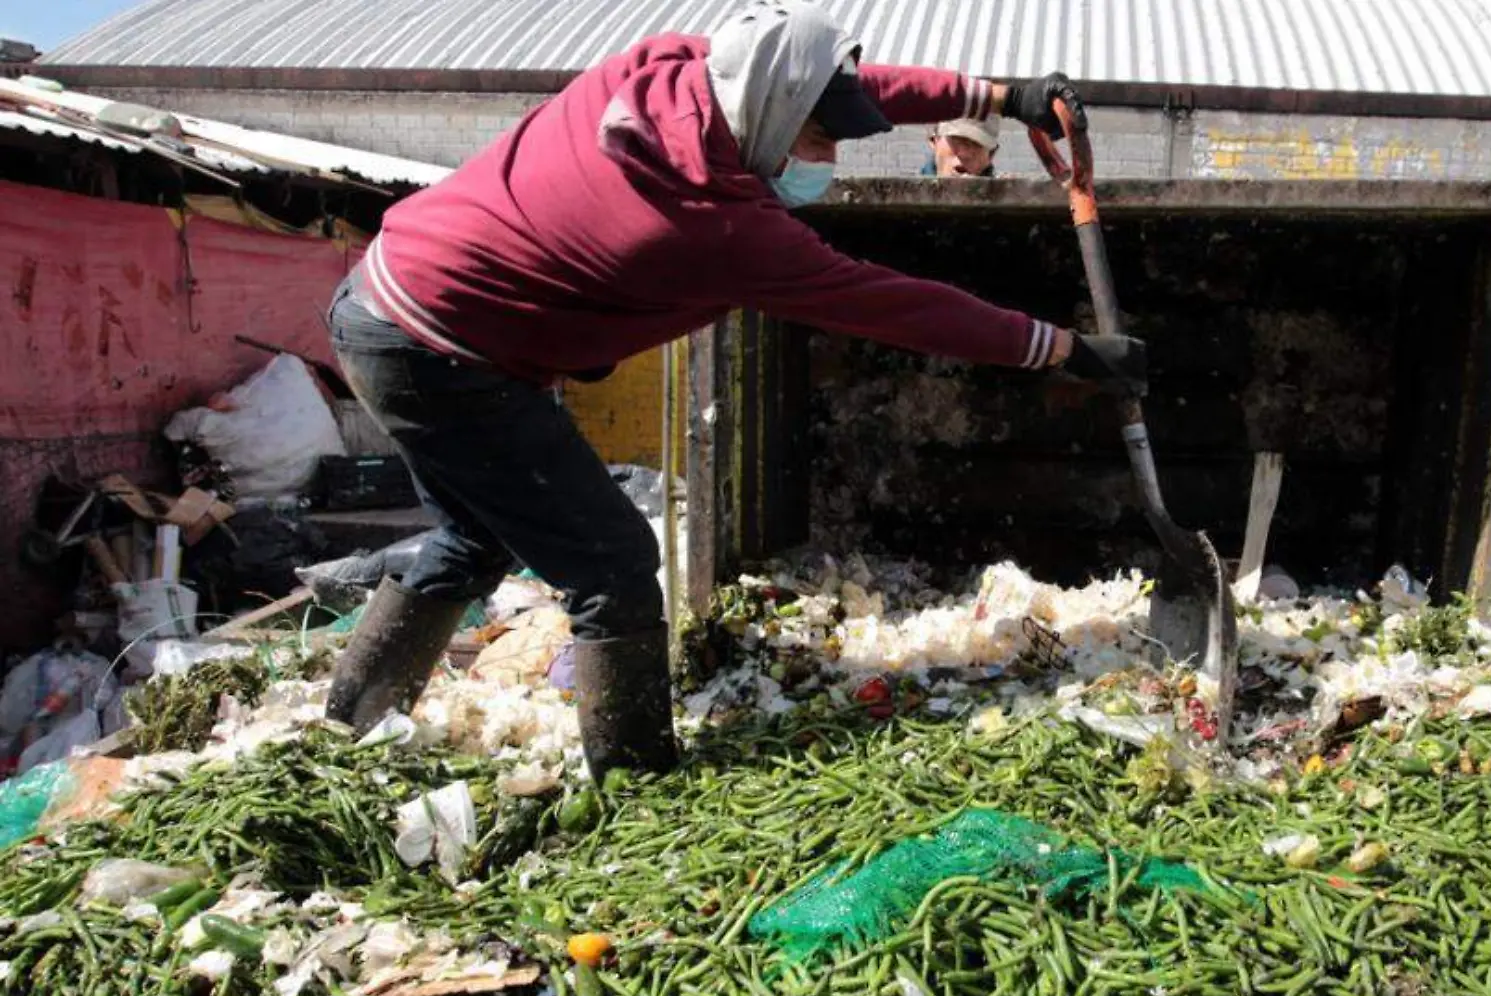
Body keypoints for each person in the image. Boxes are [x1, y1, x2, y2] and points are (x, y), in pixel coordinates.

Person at [321, 0, 1147, 780]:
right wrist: (1062, 350)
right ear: (772, 113)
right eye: (816, 140)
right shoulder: (710, 221)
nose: (826, 160)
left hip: (385, 300)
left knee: (474, 537)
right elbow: (895, 305)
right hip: (443, 351)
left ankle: (351, 721)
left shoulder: (674, 71)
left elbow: (851, 88)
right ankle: (635, 784)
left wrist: (1000, 96)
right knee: (610, 563)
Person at [921, 115, 1001, 177]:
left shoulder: (1010, 197)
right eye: (956, 139)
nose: (965, 154)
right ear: (934, 141)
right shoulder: (910, 195)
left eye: (976, 143)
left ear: (991, 154)